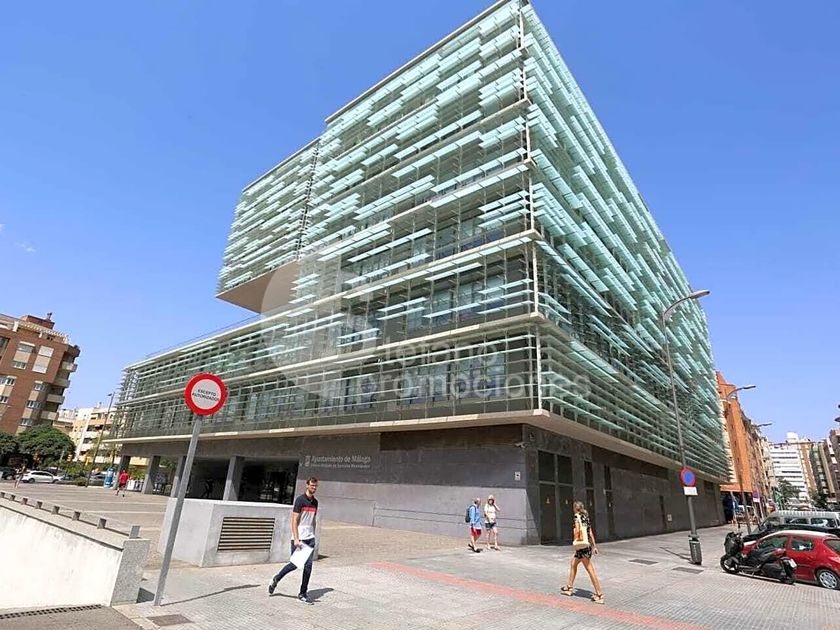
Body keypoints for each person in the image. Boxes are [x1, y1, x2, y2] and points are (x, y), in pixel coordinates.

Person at [269, 477, 319, 604]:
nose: (314, 488)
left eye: (315, 486)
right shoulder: (300, 500)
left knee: (308, 566)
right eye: (312, 485)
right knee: (295, 564)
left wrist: (314, 534)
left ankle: (303, 593)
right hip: (299, 538)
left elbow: (313, 520)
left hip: (310, 538)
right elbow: (294, 520)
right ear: (307, 485)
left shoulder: (315, 502)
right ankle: (276, 578)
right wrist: (296, 538)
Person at [560, 501, 604, 604]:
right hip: (586, 546)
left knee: (590, 569)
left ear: (576, 509)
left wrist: (576, 540)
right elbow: (590, 533)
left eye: (573, 508)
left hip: (582, 547)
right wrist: (594, 546)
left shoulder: (577, 517)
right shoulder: (586, 518)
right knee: (573, 564)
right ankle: (569, 587)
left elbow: (577, 531)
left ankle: (599, 594)